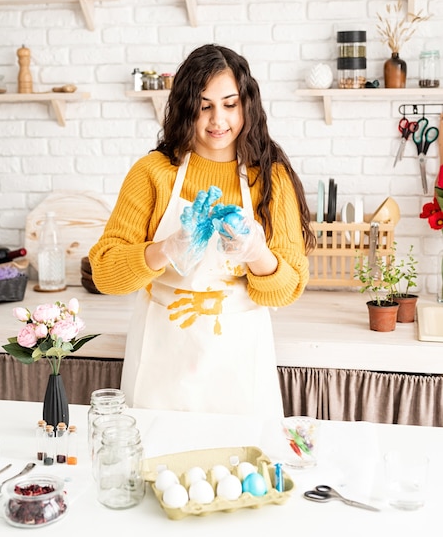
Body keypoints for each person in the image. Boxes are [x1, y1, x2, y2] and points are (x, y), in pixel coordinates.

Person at [89, 44, 316, 418]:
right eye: (204, 104)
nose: (217, 119)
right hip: (162, 370)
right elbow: (106, 273)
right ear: (185, 107)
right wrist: (165, 248)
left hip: (240, 370)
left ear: (247, 105)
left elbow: (288, 289)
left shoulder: (270, 179)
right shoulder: (153, 173)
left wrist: (256, 254)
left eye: (230, 104)